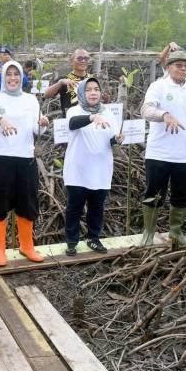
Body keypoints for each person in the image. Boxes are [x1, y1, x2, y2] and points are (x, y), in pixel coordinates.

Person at [0, 61, 48, 266]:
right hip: (1, 157)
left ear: (22, 77)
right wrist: (0, 120)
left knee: (27, 203)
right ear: (2, 78)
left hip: (25, 158)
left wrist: (43, 123)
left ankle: (26, 246)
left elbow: (38, 131)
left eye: (16, 74)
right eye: (8, 74)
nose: (12, 78)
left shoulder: (31, 100)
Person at [140, 51, 186, 248]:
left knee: (181, 195)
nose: (183, 69)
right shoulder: (158, 86)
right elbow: (146, 110)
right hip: (159, 152)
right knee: (154, 193)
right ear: (168, 67)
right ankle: (149, 232)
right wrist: (164, 115)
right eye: (178, 65)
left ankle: (175, 233)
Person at [63, 78, 122, 255]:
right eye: (88, 90)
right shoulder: (74, 110)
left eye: (96, 89)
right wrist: (92, 117)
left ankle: (93, 239)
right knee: (75, 207)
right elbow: (73, 124)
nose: (93, 93)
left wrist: (117, 139)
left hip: (101, 168)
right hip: (78, 168)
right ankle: (71, 241)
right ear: (82, 93)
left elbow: (112, 137)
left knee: (97, 207)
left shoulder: (109, 113)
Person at [43, 48, 91, 116]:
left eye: (86, 58)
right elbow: (46, 94)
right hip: (70, 120)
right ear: (71, 61)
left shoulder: (92, 79)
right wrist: (60, 83)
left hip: (90, 119)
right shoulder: (64, 79)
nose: (83, 61)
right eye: (79, 58)